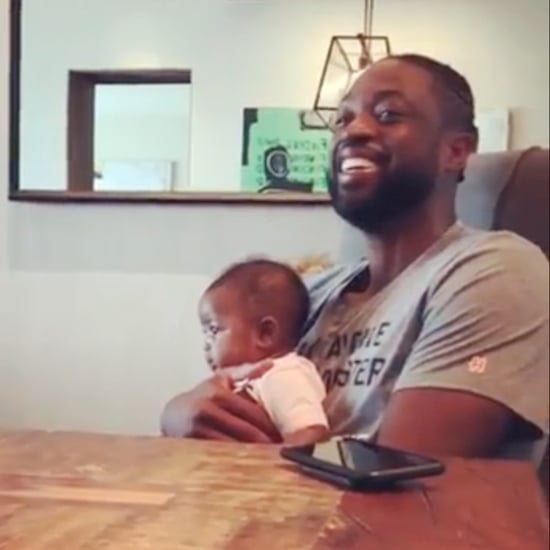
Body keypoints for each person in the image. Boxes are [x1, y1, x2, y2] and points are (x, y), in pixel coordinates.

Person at [161, 53, 549, 459]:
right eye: (342, 119)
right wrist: (179, 413)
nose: (354, 130)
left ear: (456, 150)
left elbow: (394, 480)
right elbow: (228, 391)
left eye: (387, 114)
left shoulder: (496, 272)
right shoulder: (313, 293)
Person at [165, 258, 330, 446]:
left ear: (265, 333)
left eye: (213, 330)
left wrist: (271, 465)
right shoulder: (250, 379)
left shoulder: (284, 374)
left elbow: (311, 432)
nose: (206, 345)